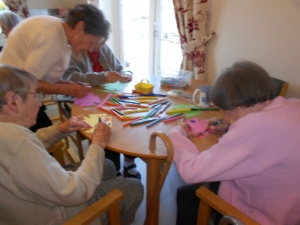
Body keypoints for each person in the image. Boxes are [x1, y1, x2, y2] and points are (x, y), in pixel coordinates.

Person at [0, 64, 144, 225]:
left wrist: (59, 129)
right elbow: (74, 192)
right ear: (13, 101)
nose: (40, 103)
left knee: (107, 164)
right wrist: (97, 144)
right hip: (57, 215)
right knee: (134, 187)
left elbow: (30, 143)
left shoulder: (8, 134)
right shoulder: (19, 142)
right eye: (36, 96)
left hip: (31, 204)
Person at [169, 61, 300, 225]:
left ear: (236, 106)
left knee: (187, 193)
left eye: (226, 110)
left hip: (256, 217)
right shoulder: (293, 105)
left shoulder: (252, 128)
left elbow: (191, 172)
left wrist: (177, 133)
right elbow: (268, 142)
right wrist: (232, 126)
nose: (225, 115)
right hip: (290, 211)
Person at [0, 4, 110, 131]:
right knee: (39, 141)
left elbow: (43, 74)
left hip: (20, 95)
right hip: (9, 102)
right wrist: (67, 89)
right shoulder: (51, 38)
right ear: (80, 27)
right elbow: (31, 83)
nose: (91, 49)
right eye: (92, 43)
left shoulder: (61, 32)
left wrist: (65, 84)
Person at [62, 42, 140, 179]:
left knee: (130, 118)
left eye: (102, 42)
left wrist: (126, 73)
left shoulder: (103, 46)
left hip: (108, 96)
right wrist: (102, 77)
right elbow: (71, 79)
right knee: (104, 125)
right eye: (96, 42)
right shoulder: (74, 49)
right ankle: (113, 167)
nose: (99, 46)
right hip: (82, 99)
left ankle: (129, 162)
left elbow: (120, 68)